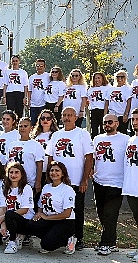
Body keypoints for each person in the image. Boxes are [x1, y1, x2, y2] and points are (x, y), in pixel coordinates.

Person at [46, 107, 94, 251]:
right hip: (58, 182)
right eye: (64, 115)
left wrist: (84, 179)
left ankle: (78, 239)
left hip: (76, 181)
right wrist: (50, 177)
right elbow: (50, 156)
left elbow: (89, 157)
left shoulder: (82, 133)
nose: (67, 118)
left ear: (75, 117)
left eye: (70, 115)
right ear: (61, 117)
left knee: (77, 210)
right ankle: (60, 238)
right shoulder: (56, 135)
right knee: (57, 210)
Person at [91, 113, 129, 255]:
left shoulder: (125, 139)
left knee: (110, 214)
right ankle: (112, 242)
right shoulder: (97, 139)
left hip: (116, 182)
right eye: (105, 122)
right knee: (101, 213)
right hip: (99, 180)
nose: (107, 125)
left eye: (110, 122)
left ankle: (105, 244)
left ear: (117, 123)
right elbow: (93, 158)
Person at [28, 161, 76, 254]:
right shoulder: (46, 187)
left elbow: (67, 214)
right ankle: (50, 237)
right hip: (49, 220)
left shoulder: (67, 189)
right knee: (30, 225)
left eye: (57, 170)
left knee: (47, 245)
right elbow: (40, 205)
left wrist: (46, 217)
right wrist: (39, 213)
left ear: (63, 174)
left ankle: (68, 240)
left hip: (64, 221)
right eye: (51, 170)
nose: (54, 173)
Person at [0, 162, 34, 254]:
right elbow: (3, 207)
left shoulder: (26, 188)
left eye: (16, 172)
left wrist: (4, 217)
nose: (13, 175)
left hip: (24, 220)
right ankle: (17, 236)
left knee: (10, 214)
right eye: (11, 172)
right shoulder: (4, 188)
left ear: (22, 174)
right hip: (8, 218)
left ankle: (12, 242)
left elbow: (25, 210)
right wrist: (3, 225)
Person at [7, 116, 44, 195]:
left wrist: (38, 182)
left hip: (29, 181)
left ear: (31, 128)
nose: (22, 128)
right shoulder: (12, 145)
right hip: (13, 181)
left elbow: (39, 166)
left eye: (25, 126)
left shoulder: (36, 145)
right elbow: (8, 163)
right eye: (20, 126)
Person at [123, 109, 138, 261]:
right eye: (133, 119)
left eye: (137, 119)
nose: (135, 122)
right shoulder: (130, 140)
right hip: (131, 187)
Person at [105, 70, 132, 134]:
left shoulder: (127, 88)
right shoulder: (110, 89)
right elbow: (107, 102)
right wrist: (105, 115)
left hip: (122, 114)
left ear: (125, 78)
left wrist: (126, 114)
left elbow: (129, 102)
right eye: (118, 77)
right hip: (112, 114)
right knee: (112, 132)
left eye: (122, 77)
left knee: (122, 132)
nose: (119, 79)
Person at [3, 55, 29, 120]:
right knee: (10, 112)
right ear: (11, 62)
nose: (15, 62)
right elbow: (5, 85)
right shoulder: (7, 72)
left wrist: (25, 97)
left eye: (16, 61)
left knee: (19, 111)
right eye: (13, 61)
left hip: (20, 93)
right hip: (10, 93)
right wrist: (4, 96)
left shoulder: (23, 72)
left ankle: (18, 126)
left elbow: (25, 86)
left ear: (19, 62)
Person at [28, 59, 50, 125]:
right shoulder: (32, 77)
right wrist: (28, 100)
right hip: (33, 104)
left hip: (43, 103)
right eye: (37, 66)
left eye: (41, 66)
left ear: (44, 66)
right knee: (33, 122)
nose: (39, 67)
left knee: (42, 122)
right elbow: (29, 90)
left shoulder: (48, 76)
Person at [88, 71, 110, 137]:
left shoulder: (107, 87)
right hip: (94, 110)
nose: (97, 80)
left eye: (99, 78)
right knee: (94, 129)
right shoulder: (91, 89)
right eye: (95, 78)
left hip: (103, 110)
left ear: (103, 78)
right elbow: (88, 100)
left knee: (103, 129)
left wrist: (105, 113)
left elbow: (108, 101)